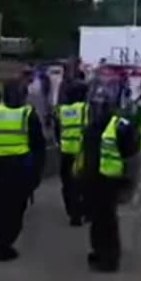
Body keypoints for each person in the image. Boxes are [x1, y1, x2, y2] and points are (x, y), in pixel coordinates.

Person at [0, 80, 46, 261]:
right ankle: (3, 247)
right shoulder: (28, 114)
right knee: (13, 208)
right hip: (18, 167)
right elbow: (38, 146)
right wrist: (36, 173)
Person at [78, 85, 140, 273]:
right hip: (92, 178)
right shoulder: (91, 127)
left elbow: (131, 157)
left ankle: (110, 258)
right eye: (95, 105)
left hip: (110, 180)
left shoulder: (121, 126)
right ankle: (98, 252)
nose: (98, 108)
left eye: (101, 105)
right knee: (96, 220)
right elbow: (86, 153)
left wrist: (129, 184)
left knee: (107, 220)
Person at [56, 80, 89, 225]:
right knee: (83, 185)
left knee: (68, 184)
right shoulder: (85, 108)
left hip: (66, 152)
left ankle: (72, 211)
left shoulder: (61, 111)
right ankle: (82, 212)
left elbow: (58, 131)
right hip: (81, 153)